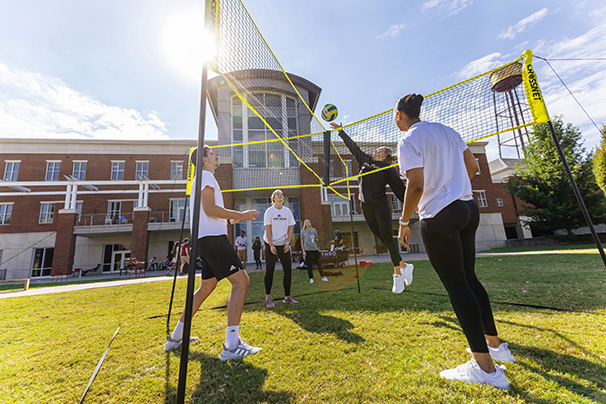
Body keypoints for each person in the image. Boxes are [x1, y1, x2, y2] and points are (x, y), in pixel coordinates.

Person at [394, 93, 514, 388]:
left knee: (458, 286)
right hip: (468, 208)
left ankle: (486, 369)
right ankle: (496, 346)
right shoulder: (449, 131)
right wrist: (454, 187)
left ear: (399, 115)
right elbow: (472, 169)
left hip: (440, 216)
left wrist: (403, 222)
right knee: (470, 279)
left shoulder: (408, 139)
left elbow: (416, 185)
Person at [165, 145, 262, 361]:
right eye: (212, 154)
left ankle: (176, 337)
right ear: (204, 160)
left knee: (206, 287)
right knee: (241, 282)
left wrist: (230, 219)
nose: (217, 156)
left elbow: (208, 212)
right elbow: (209, 209)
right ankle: (232, 346)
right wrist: (241, 215)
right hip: (212, 240)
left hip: (205, 239)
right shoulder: (205, 177)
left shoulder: (203, 178)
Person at [330, 122, 414, 293]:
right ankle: (405, 265)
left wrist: (412, 204)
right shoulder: (364, 160)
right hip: (365, 205)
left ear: (386, 155)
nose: (376, 151)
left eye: (380, 150)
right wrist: (341, 131)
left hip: (380, 205)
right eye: (376, 150)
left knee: (387, 239)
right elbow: (353, 147)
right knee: (382, 238)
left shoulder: (387, 168)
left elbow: (400, 189)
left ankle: (397, 274)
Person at [263, 189, 298, 308]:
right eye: (278, 194)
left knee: (288, 270)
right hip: (270, 243)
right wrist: (271, 245)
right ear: (273, 198)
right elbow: (268, 230)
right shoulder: (269, 211)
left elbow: (290, 229)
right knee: (270, 270)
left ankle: (287, 297)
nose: (280, 196)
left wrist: (288, 243)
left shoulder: (287, 211)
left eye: (282, 194)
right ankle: (268, 296)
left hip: (283, 244)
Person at [301, 219, 327, 283]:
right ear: (304, 224)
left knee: (319, 263)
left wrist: (315, 239)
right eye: (306, 222)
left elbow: (317, 239)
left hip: (315, 248)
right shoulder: (303, 231)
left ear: (310, 223)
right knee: (309, 264)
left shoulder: (314, 230)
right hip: (307, 249)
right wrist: (303, 251)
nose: (307, 223)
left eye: (308, 222)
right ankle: (311, 278)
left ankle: (323, 276)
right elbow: (302, 241)